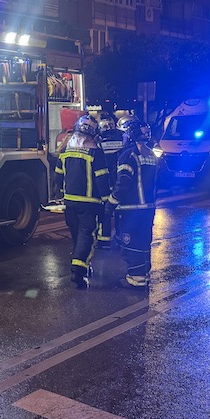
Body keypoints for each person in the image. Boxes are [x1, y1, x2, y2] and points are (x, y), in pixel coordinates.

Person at [55, 114, 112, 289]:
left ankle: (81, 265)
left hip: (70, 202)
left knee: (77, 235)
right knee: (87, 236)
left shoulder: (66, 149)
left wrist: (64, 193)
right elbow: (102, 178)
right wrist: (106, 200)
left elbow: (58, 175)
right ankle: (78, 270)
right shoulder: (95, 150)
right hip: (90, 203)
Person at [106, 119, 158, 289]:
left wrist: (110, 204)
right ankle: (143, 275)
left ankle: (136, 279)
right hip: (148, 208)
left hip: (131, 209)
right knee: (143, 243)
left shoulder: (128, 155)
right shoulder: (151, 154)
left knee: (131, 244)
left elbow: (123, 183)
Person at [96, 112, 125, 250]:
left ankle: (104, 240)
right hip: (120, 178)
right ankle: (121, 237)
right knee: (120, 209)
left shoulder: (99, 140)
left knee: (105, 209)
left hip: (105, 179)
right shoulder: (122, 137)